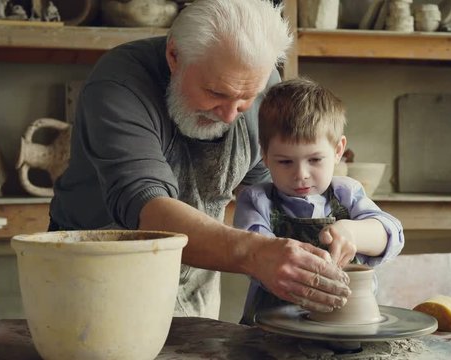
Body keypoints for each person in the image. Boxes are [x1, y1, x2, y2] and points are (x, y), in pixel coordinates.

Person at [49, 0, 351, 320]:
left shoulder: (265, 89)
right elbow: (148, 211)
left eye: (246, 98)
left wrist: (340, 232)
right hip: (96, 286)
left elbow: (278, 195)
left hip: (197, 286)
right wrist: (255, 253)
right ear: (174, 56)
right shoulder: (119, 84)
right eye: (217, 93)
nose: (230, 114)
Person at [233, 78, 405, 325]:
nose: (301, 174)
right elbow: (258, 255)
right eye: (285, 162)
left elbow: (393, 235)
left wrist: (354, 232)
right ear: (265, 155)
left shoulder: (346, 193)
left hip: (345, 326)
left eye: (314, 160)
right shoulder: (257, 201)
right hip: (272, 330)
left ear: (338, 150)